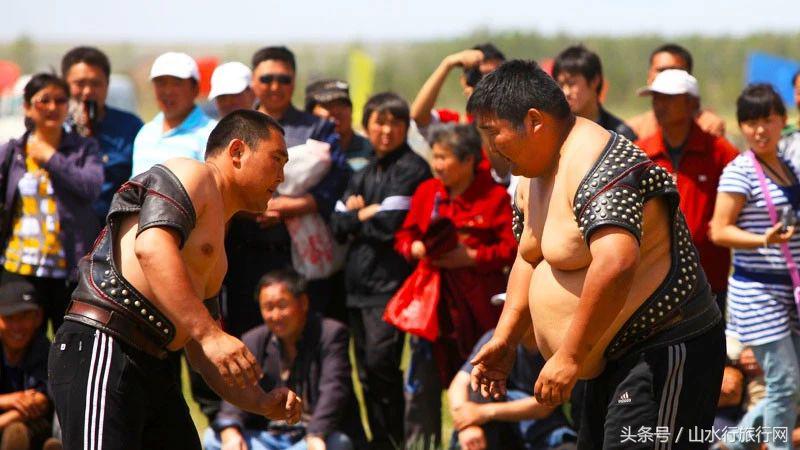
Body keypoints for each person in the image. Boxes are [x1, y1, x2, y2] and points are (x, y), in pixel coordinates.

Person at [466, 60, 725, 450]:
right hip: (602, 358)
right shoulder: (531, 176)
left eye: (493, 133)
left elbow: (616, 260)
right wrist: (505, 338)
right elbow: (528, 257)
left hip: (662, 350)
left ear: (534, 121)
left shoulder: (599, 163)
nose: (490, 149)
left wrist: (569, 355)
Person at [47, 110, 302, 450]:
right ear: (238, 151)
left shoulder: (218, 249)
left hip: (155, 364)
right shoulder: (191, 172)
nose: (281, 177)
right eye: (277, 159)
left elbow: (200, 352)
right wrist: (210, 334)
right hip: (104, 345)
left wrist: (260, 401)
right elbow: (151, 247)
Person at [394, 124, 516, 447]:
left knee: (478, 384)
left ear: (468, 161)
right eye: (434, 157)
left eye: (444, 158)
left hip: (478, 313)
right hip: (431, 312)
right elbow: (404, 236)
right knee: (421, 388)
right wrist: (416, 249)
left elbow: (512, 248)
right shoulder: (427, 193)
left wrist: (473, 256)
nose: (437, 165)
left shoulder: (494, 197)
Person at [223, 46, 349, 338]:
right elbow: (221, 181)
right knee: (249, 340)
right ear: (253, 83)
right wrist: (253, 209)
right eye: (266, 79)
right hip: (245, 255)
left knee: (304, 341)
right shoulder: (235, 128)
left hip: (298, 256)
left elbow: (337, 179)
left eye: (283, 79)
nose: (275, 86)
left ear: (294, 81)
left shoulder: (317, 127)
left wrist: (287, 207)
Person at [330, 92, 431, 450]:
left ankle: (394, 441)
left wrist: (360, 216)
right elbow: (337, 223)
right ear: (367, 127)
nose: (387, 131)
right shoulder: (365, 170)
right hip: (356, 286)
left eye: (395, 123)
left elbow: (391, 222)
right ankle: (378, 442)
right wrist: (362, 215)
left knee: (382, 366)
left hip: (390, 287)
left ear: (405, 127)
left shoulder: (414, 169)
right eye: (379, 123)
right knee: (365, 373)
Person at [709, 84, 800, 450]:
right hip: (758, 292)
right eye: (749, 122)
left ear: (783, 121)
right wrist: (765, 239)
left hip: (789, 288)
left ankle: (728, 445)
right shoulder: (739, 172)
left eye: (767, 119)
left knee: (789, 385)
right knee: (784, 384)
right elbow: (718, 229)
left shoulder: (790, 166)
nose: (759, 129)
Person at [205, 269, 364, 450]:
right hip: (268, 438)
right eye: (268, 307)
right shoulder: (253, 339)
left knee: (337, 444)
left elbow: (334, 389)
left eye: (282, 305)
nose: (275, 315)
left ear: (303, 303)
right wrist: (230, 430)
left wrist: (316, 434)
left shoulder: (331, 334)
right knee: (214, 438)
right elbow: (239, 387)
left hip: (313, 436)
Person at [0, 73, 103, 332]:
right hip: (20, 266)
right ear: (26, 106)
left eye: (60, 100)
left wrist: (51, 158)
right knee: (22, 347)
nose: (52, 107)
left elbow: (91, 188)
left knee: (67, 349)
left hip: (68, 271)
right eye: (43, 100)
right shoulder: (13, 151)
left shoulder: (84, 149)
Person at [635, 69, 738, 314]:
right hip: (653, 281)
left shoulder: (721, 153)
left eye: (668, 98)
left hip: (710, 279)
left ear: (692, 103)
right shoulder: (641, 152)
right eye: (656, 98)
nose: (659, 105)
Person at [449, 329, 578, 450]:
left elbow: (546, 405)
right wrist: (468, 425)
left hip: (542, 427)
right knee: (476, 386)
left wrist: (484, 412)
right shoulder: (495, 338)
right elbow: (460, 383)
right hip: (498, 426)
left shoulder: (554, 347)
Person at [61, 46, 144, 223]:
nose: (88, 91)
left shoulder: (130, 127)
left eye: (95, 83)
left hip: (112, 230)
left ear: (107, 85)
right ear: (64, 85)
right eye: (80, 83)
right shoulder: (54, 128)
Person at [0, 272, 60, 450]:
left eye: (25, 316)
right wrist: (10, 400)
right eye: (9, 318)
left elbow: (40, 402)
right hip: (14, 417)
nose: (17, 326)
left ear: (38, 317)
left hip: (31, 426)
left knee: (17, 432)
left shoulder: (45, 349)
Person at [131, 52, 216, 176]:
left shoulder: (212, 134)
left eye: (177, 83)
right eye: (160, 82)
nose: (168, 91)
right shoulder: (145, 132)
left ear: (195, 89)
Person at [626, 43, 726, 139]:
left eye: (676, 70)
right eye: (662, 70)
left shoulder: (709, 127)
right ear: (649, 76)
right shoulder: (633, 129)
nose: (668, 76)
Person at [552, 45, 636, 141]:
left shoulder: (621, 136)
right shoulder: (553, 133)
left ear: (594, 81)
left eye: (571, 83)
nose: (565, 92)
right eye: (560, 85)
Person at [306, 79, 372, 172]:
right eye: (327, 106)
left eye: (342, 105)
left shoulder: (371, 150)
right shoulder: (302, 151)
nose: (336, 111)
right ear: (310, 113)